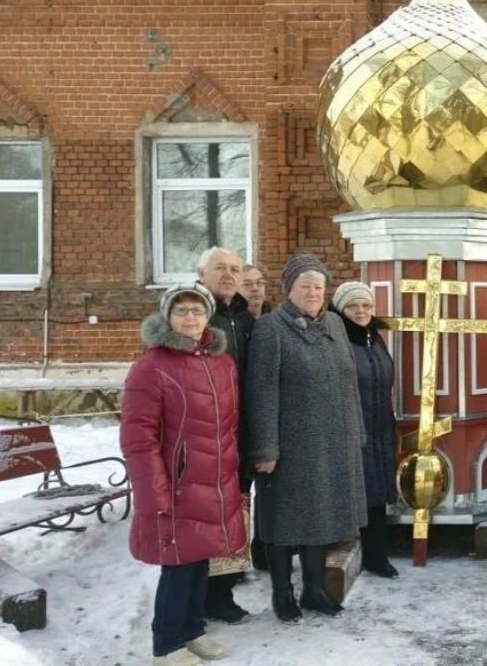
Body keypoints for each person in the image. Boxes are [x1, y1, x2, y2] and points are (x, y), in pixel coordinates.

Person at [121, 282, 247, 666]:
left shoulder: (221, 362)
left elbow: (229, 426)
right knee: (177, 565)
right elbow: (137, 438)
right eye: (181, 311)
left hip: (214, 481)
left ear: (208, 315)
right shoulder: (151, 367)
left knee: (199, 559)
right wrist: (152, 492)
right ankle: (167, 646)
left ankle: (192, 631)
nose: (190, 318)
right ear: (167, 317)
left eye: (197, 310)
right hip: (174, 485)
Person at [246, 255, 367, 624]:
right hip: (289, 446)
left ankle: (313, 590)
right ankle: (282, 594)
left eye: (318, 286)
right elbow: (261, 392)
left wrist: (356, 430)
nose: (313, 293)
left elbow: (350, 383)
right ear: (289, 291)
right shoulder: (271, 329)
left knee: (322, 517)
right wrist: (266, 448)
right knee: (283, 521)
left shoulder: (334, 323)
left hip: (332, 441)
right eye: (305, 286)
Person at [195, 247, 255, 621]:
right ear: (201, 275)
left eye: (234, 269)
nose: (229, 274)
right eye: (220, 268)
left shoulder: (246, 319)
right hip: (205, 437)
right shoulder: (192, 315)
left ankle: (224, 593)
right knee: (203, 516)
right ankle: (196, 592)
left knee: (236, 513)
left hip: (242, 434)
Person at [332, 281, 401, 579]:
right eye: (353, 306)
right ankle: (342, 549)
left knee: (376, 493)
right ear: (340, 309)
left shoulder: (375, 338)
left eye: (366, 305)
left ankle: (377, 555)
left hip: (380, 424)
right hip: (352, 427)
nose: (361, 311)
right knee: (352, 489)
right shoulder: (337, 340)